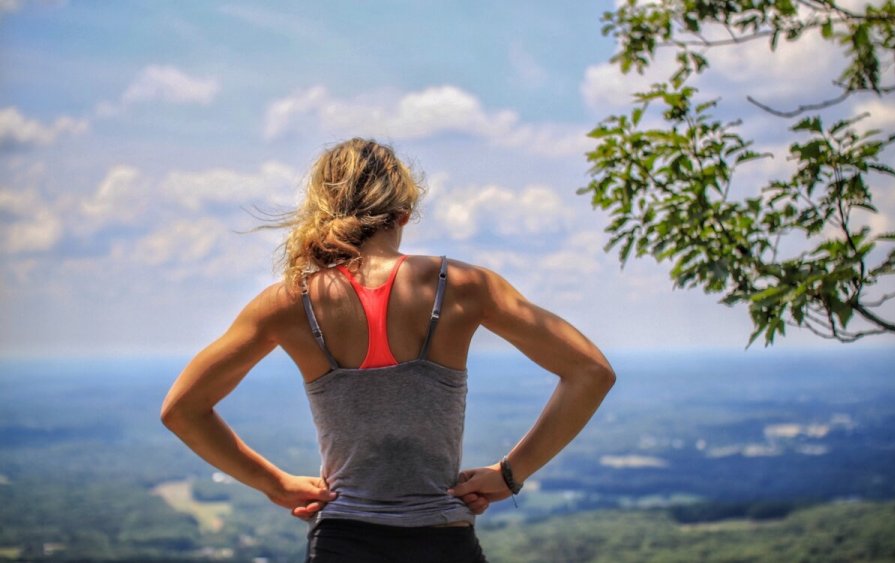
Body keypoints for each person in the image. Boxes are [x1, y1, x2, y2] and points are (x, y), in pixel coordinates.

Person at [160, 138, 616, 562]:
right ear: (402, 213)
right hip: (444, 540)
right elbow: (591, 371)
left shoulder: (288, 302)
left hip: (342, 541)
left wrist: (273, 484)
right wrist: (510, 474)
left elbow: (182, 409)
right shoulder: (462, 287)